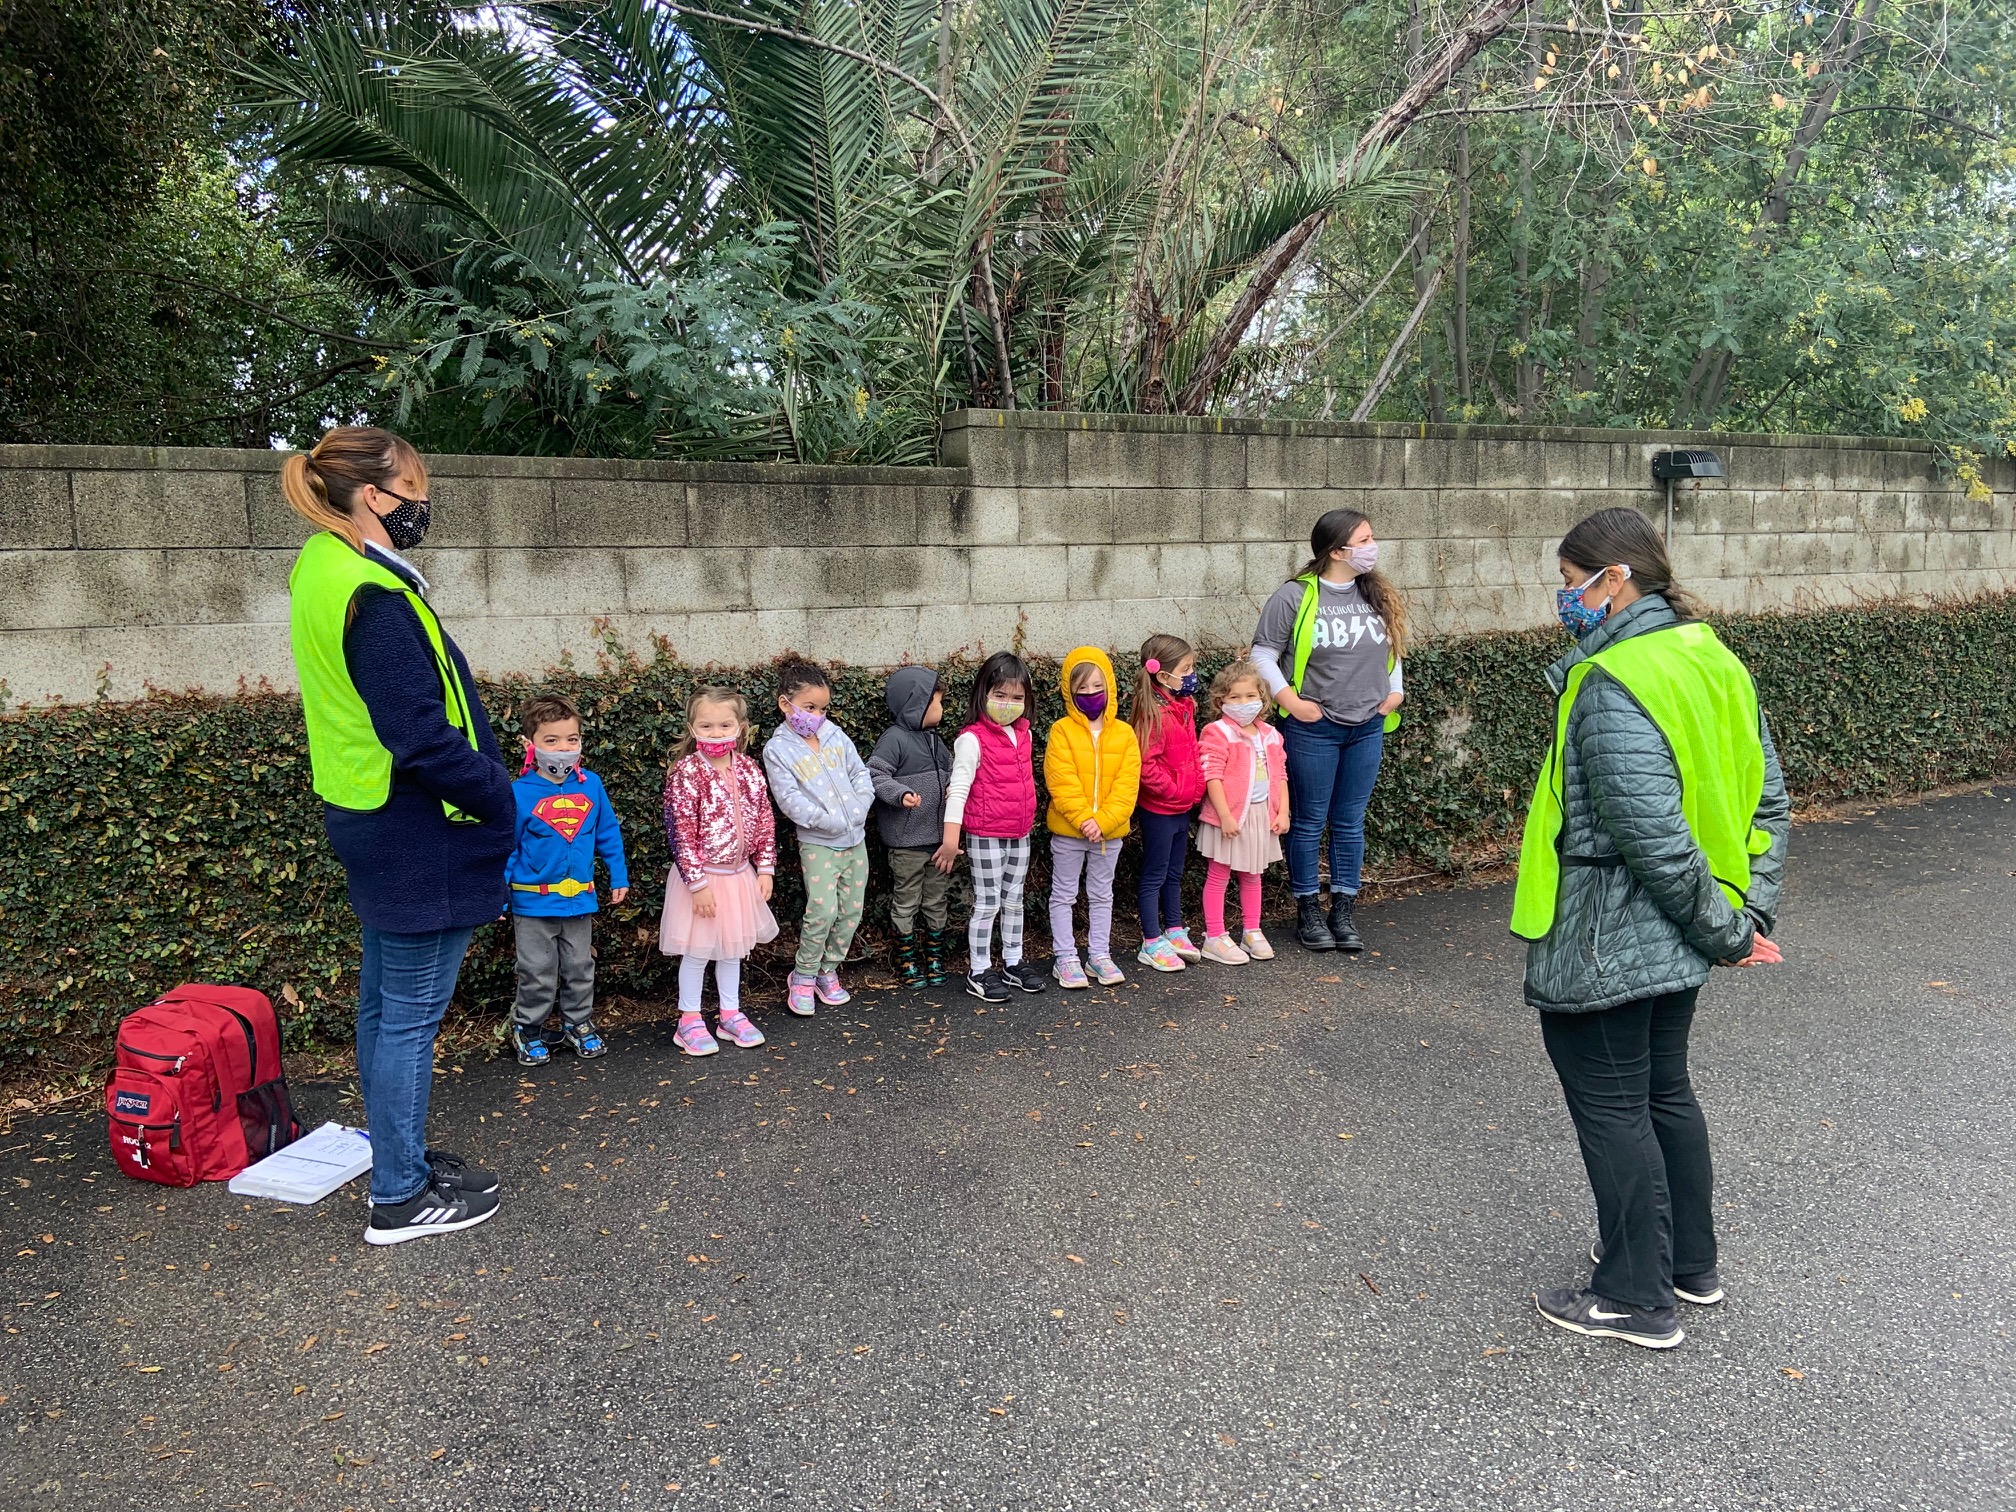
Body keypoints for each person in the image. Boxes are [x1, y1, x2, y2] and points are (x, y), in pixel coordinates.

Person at [1512, 507, 1789, 1350]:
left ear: (1615, 579)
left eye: (1571, 583)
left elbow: (1652, 835)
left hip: (1608, 931)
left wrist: (1729, 932)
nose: (1565, 599)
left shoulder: (1614, 680)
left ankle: (1636, 1295)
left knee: (1613, 1106)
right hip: (1681, 930)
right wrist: (1742, 913)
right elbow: (1768, 801)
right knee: (1662, 1091)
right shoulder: (1713, 659)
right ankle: (1686, 1265)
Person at [282, 426, 510, 1246]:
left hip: (369, 815)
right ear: (374, 496)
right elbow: (420, 736)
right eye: (415, 488)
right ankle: (401, 1198)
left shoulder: (324, 566)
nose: (424, 503)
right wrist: (501, 796)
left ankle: (400, 1161)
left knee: (384, 1009)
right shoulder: (372, 596)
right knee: (408, 1019)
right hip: (418, 827)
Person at [1251, 509, 1406, 954]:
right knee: (1309, 821)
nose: (1373, 547)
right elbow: (1263, 653)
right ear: (1337, 551)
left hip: (1367, 726)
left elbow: (1391, 648)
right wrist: (1292, 702)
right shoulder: (1294, 596)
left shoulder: (1374, 592)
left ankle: (1342, 911)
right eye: (1365, 540)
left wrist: (1395, 691)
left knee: (1350, 821)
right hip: (1313, 730)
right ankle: (1308, 911)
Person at [503, 693, 630, 1067]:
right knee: (537, 972)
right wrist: (499, 893)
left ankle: (578, 1023)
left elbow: (607, 832)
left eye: (571, 739)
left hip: (579, 902)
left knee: (579, 968)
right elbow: (508, 847)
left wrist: (618, 875)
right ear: (530, 744)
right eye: (552, 740)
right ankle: (528, 1028)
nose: (563, 748)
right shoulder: (519, 793)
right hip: (533, 905)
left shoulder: (591, 785)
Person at [660, 686, 779, 1056]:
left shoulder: (749, 769)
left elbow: (764, 818)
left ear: (740, 727)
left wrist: (765, 867)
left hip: (739, 877)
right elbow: (680, 831)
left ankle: (730, 1013)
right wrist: (697, 885)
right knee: (697, 951)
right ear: (692, 728)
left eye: (725, 725)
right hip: (703, 881)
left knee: (732, 951)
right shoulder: (687, 772)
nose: (716, 733)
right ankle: (689, 1019)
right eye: (706, 726)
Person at [762, 660, 874, 1017]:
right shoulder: (777, 749)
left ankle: (828, 970)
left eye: (822, 708)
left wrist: (859, 807)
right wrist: (829, 821)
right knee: (823, 911)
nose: (817, 716)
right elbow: (789, 800)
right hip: (819, 843)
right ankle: (804, 975)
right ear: (785, 704)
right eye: (809, 707)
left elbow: (860, 773)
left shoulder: (835, 735)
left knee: (851, 911)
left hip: (855, 839)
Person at [941, 650, 1045, 1002]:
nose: (1008, 704)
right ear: (982, 694)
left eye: (1017, 697)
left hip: (1020, 833)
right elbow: (958, 788)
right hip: (985, 834)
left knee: (1014, 900)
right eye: (1000, 695)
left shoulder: (1024, 735)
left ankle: (1013, 962)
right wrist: (951, 838)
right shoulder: (971, 739)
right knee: (988, 903)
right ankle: (980, 969)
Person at [1043, 646, 1142, 989]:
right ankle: (1065, 958)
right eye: (1081, 688)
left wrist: (1104, 822)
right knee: (1063, 895)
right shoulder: (1061, 731)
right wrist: (1086, 819)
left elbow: (1127, 785)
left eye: (1097, 686)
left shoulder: (1125, 734)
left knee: (1102, 894)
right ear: (1069, 692)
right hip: (1069, 832)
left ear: (1110, 686)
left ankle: (1099, 954)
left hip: (1109, 835)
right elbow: (1061, 780)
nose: (1090, 694)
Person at [1195, 660, 1289, 965]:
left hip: (1261, 816)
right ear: (1220, 700)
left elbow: (1281, 775)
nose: (1243, 702)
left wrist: (1283, 811)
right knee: (1219, 874)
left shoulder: (1271, 735)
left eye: (1250, 695)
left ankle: (1252, 931)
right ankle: (1214, 936)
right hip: (1229, 817)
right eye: (1234, 697)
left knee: (1252, 875)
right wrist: (1224, 816)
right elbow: (1212, 775)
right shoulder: (1217, 732)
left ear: (1261, 697)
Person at [867, 666, 955, 988]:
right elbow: (874, 775)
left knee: (936, 900)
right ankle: (906, 958)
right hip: (906, 844)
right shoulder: (894, 739)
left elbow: (952, 772)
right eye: (937, 701)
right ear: (917, 703)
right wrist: (900, 794)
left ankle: (934, 957)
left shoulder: (936, 741)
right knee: (906, 901)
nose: (941, 709)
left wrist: (953, 786)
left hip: (938, 844)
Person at [1130, 634, 1207, 973]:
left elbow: (1192, 753)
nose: (1191, 675)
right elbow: (1145, 766)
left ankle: (1174, 929)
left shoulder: (1185, 707)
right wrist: (1175, 791)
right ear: (1163, 675)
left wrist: (1195, 789)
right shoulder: (1152, 715)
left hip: (1182, 808)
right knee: (1155, 874)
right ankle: (1151, 940)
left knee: (1174, 873)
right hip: (1160, 811)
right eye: (1186, 669)